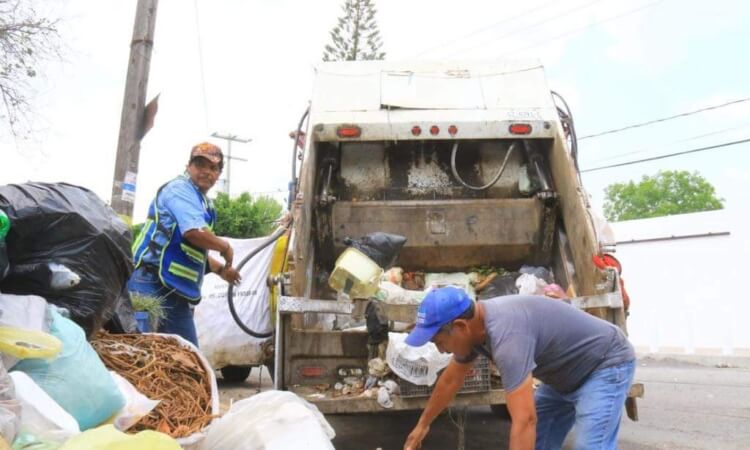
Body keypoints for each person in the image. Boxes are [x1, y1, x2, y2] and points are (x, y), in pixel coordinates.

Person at [403, 286, 635, 450]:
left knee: (590, 446)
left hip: (604, 364)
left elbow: (524, 420)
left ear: (461, 326)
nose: (440, 350)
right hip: (563, 378)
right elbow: (450, 381)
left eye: (438, 341)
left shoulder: (507, 338)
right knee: (537, 442)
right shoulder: (475, 331)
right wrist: (422, 425)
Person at [128, 142, 241, 346]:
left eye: (213, 167)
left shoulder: (204, 204)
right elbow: (193, 233)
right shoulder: (179, 189)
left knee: (187, 356)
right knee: (141, 352)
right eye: (200, 165)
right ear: (188, 166)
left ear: (218, 174)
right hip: (147, 282)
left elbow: (191, 251)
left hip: (174, 292)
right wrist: (225, 247)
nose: (206, 171)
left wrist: (221, 270)